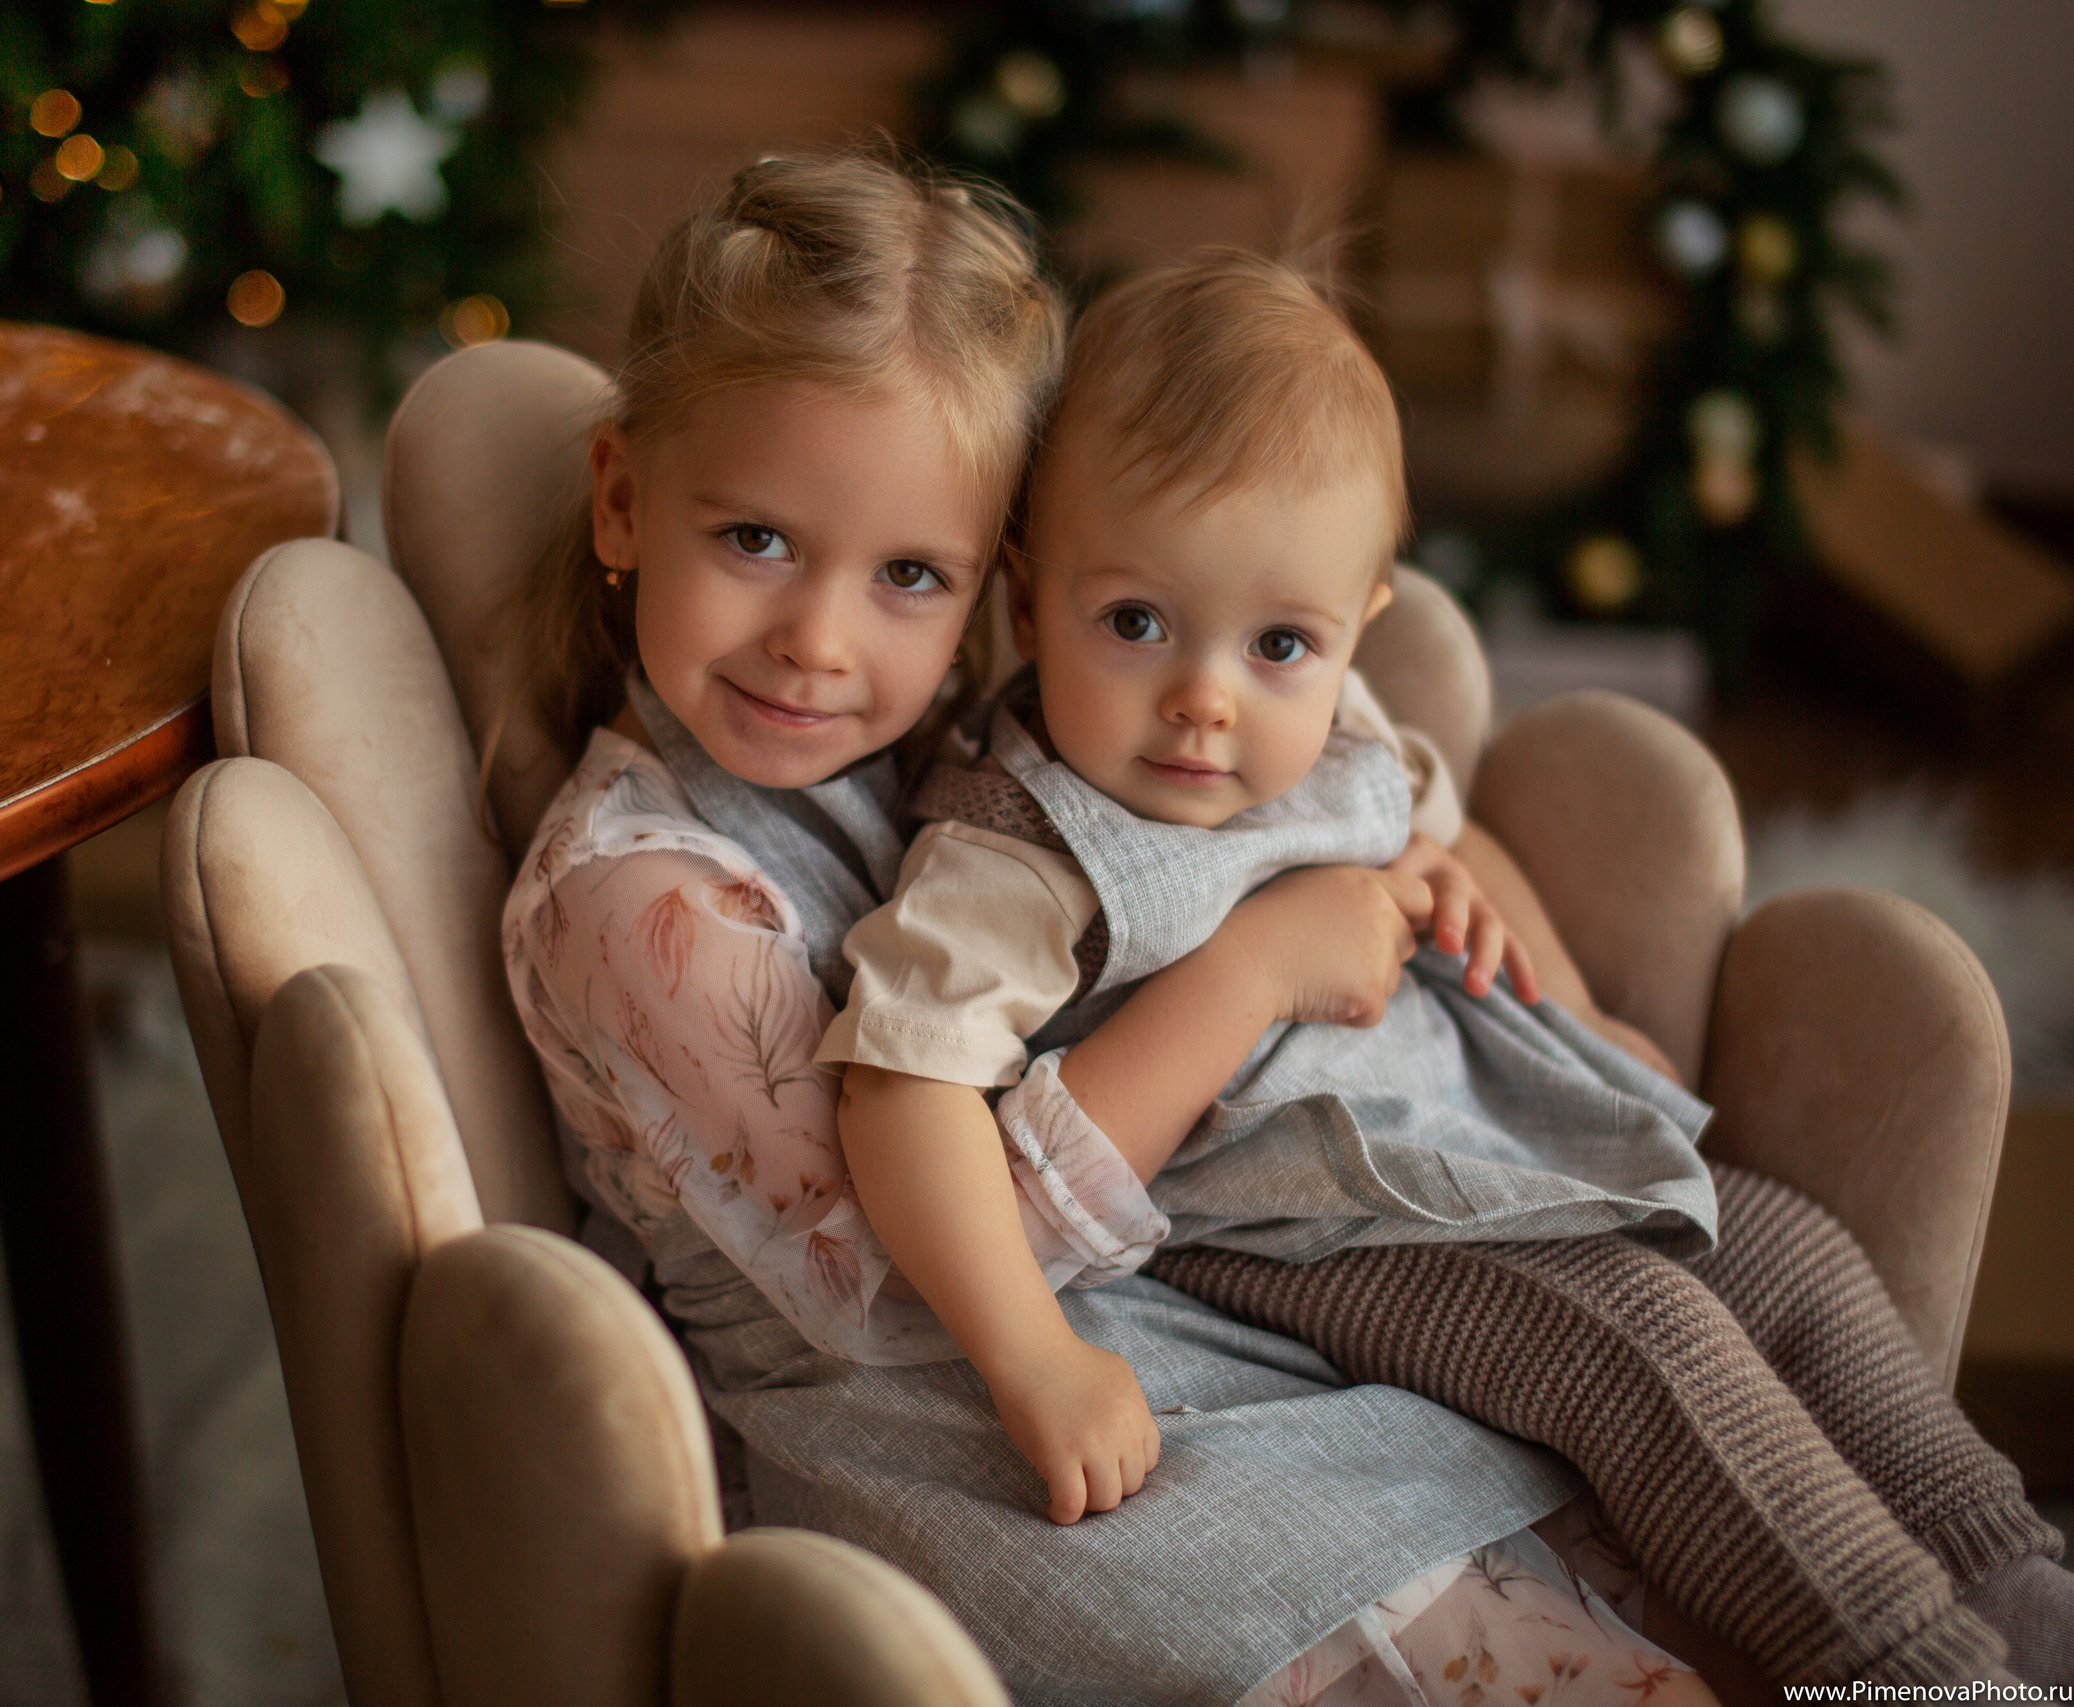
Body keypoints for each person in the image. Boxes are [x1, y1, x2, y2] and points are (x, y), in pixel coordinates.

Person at [501, 148, 1731, 1705]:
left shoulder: (959, 746)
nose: (818, 640)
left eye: (908, 574)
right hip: (964, 1447)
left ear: (993, 587)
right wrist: (1254, 971)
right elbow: (905, 1268)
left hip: (1182, 1329)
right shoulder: (648, 902)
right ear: (624, 500)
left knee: (1674, 1542)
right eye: (755, 540)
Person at [817, 248, 2070, 1690]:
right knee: (1645, 1350)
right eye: (1136, 622)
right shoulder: (1018, 849)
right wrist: (1031, 1355)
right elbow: (901, 1084)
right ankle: (1915, 1667)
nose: (1205, 696)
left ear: (1359, 624)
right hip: (1311, 1230)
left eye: (1280, 641)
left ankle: (2011, 1584)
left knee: (1788, 1249)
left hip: (1487, 1132)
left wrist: (1581, 1007)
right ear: (1029, 596)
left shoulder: (1334, 724)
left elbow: (1447, 835)